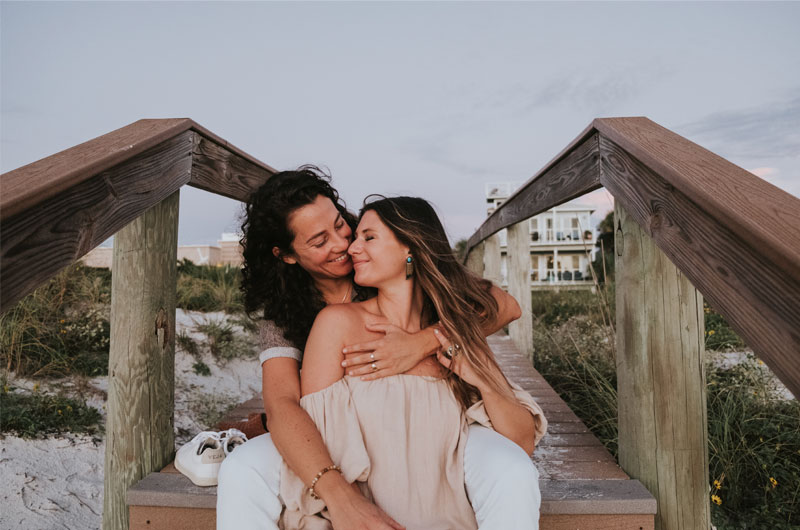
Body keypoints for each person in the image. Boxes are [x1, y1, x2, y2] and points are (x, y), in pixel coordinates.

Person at [217, 166, 544, 529]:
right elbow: (283, 405)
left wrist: (421, 343)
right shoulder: (286, 316)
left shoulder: (384, 264)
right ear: (288, 255)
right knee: (243, 469)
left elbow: (502, 305)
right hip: (329, 433)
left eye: (340, 225)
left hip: (430, 425)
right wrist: (338, 494)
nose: (343, 245)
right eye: (320, 241)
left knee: (509, 470)